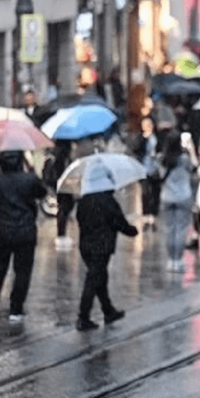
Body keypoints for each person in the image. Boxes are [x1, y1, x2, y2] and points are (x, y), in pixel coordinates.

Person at [75, 164, 139, 331]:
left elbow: (79, 219)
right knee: (94, 278)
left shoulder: (84, 200)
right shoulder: (107, 200)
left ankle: (108, 310)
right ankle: (83, 316)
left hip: (85, 246)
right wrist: (132, 231)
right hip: (101, 246)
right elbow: (118, 221)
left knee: (99, 277)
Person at [0, 151, 46, 322]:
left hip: (3, 232)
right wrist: (32, 171)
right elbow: (42, 193)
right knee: (22, 272)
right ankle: (16, 309)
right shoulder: (29, 179)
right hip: (25, 232)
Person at [160, 131, 199, 272]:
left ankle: (171, 260)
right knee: (181, 229)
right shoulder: (184, 159)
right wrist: (191, 150)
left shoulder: (162, 159)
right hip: (183, 196)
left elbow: (158, 175)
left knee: (169, 229)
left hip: (167, 196)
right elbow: (195, 168)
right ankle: (178, 260)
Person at [138, 117, 162, 231]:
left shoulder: (157, 138)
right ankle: (146, 218)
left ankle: (154, 218)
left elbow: (161, 149)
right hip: (145, 168)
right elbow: (137, 150)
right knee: (146, 194)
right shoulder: (142, 139)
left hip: (155, 168)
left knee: (155, 193)